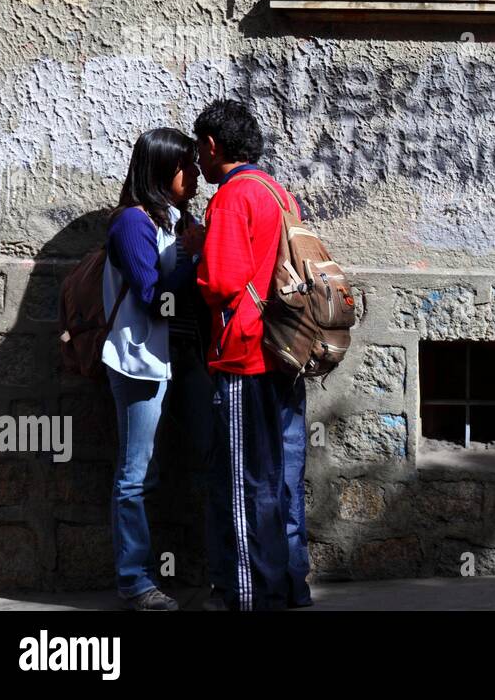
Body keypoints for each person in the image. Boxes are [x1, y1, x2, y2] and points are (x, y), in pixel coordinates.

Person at [194, 99, 310, 612]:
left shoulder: (231, 197)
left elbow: (219, 282)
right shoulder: (278, 193)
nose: (197, 163)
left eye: (199, 151)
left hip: (246, 355)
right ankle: (292, 585)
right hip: (287, 350)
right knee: (284, 477)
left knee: (245, 483)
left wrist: (196, 255)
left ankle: (248, 596)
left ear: (213, 146)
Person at [103, 128, 205, 610]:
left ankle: (169, 568)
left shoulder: (172, 219)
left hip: (175, 359)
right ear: (162, 170)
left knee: (164, 471)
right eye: (186, 165)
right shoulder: (132, 224)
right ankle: (135, 580)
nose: (196, 173)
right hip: (138, 361)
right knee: (135, 474)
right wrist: (196, 256)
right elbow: (151, 299)